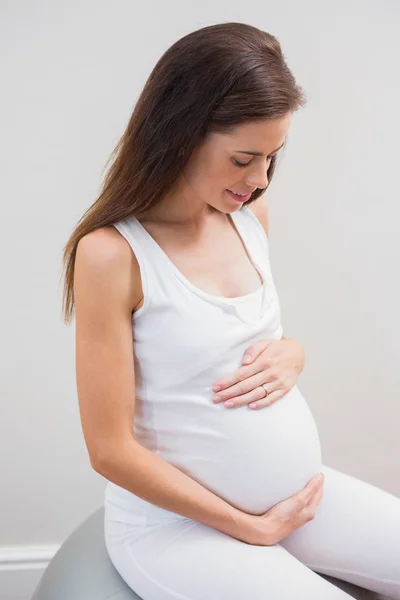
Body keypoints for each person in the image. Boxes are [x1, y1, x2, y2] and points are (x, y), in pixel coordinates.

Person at [62, 22, 400, 599]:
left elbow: (240, 344)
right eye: (244, 158)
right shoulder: (111, 255)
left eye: (272, 157)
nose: (261, 179)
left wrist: (294, 354)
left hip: (296, 499)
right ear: (182, 133)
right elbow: (109, 449)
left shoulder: (248, 219)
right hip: (176, 529)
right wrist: (251, 528)